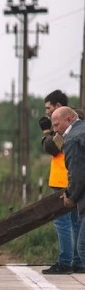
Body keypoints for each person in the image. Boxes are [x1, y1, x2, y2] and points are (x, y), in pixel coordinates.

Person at [39, 90, 84, 274]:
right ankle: (77, 261)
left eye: (49, 108)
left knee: (63, 223)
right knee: (76, 224)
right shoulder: (77, 121)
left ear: (59, 107)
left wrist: (46, 132)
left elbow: (52, 148)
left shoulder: (70, 129)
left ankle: (66, 261)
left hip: (66, 180)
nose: (47, 113)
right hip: (72, 179)